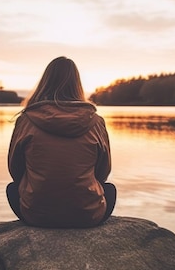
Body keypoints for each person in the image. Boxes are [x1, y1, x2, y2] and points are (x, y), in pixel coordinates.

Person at [7, 56, 116, 228]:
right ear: (77, 84)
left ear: (45, 82)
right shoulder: (96, 121)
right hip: (87, 216)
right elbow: (103, 172)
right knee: (109, 190)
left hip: (36, 216)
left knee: (12, 189)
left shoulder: (26, 120)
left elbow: (16, 170)